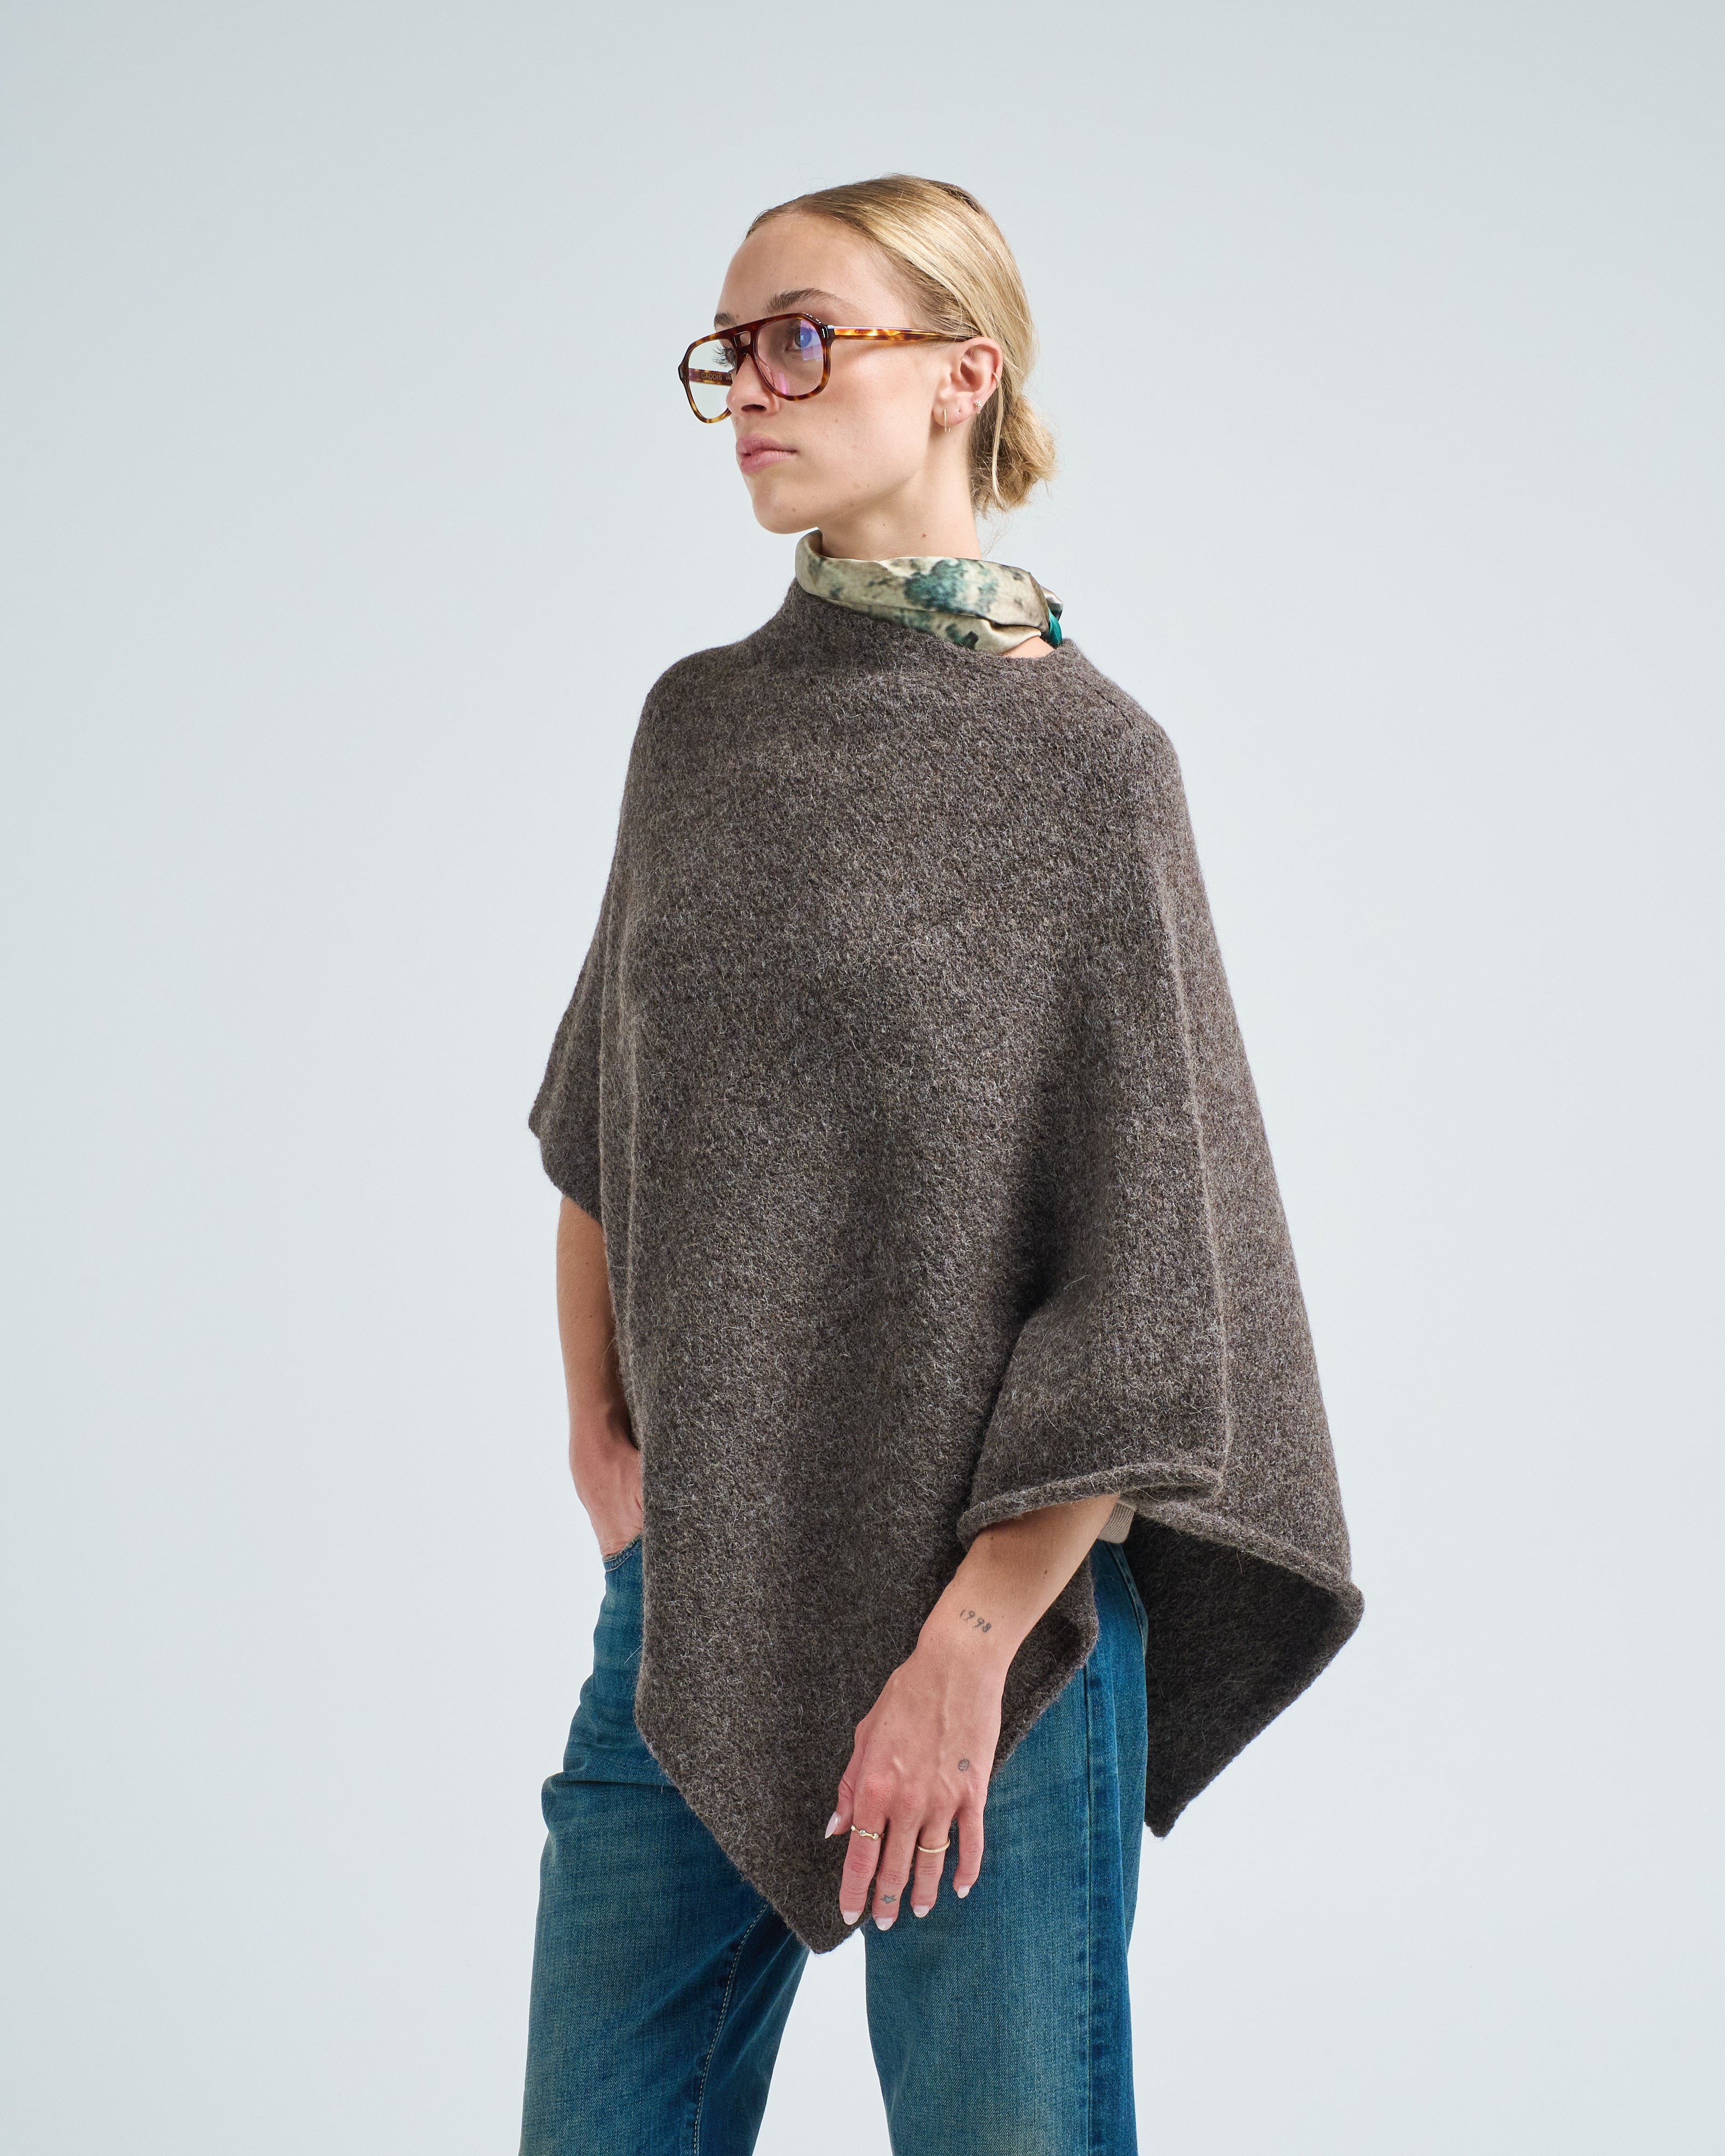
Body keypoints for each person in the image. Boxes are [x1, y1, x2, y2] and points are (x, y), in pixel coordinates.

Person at [519, 174, 1361, 2156]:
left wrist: (968, 1646)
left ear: (962, 375)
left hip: (1006, 1632)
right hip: (695, 1601)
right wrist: (603, 1447)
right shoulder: (698, 732)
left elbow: (1148, 1278)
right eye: (731, 350)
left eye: (802, 337)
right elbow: (605, 1119)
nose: (751, 385)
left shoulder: (1090, 766)